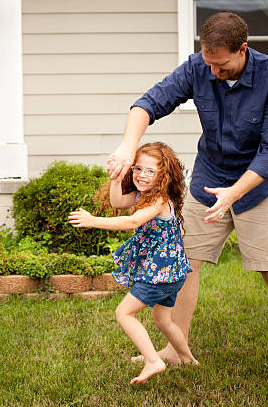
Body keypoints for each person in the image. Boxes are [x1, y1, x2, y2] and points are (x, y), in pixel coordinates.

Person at [106, 12, 268, 387]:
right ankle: (174, 350)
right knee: (183, 264)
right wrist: (127, 146)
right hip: (210, 177)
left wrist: (235, 193)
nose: (212, 71)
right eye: (208, 62)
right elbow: (148, 103)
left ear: (242, 50)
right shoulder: (199, 66)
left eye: (221, 64)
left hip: (264, 183)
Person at [69, 142, 199, 385]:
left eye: (150, 171)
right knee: (163, 320)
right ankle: (187, 359)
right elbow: (118, 202)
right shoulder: (143, 195)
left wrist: (92, 220)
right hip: (172, 272)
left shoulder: (159, 200)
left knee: (124, 312)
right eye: (137, 169)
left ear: (164, 175)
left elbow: (131, 222)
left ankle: (153, 360)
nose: (142, 175)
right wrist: (118, 177)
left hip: (160, 274)